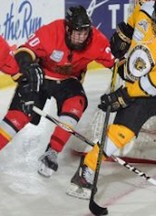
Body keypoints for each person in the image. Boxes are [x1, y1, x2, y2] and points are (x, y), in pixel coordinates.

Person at [66, 0, 156, 202]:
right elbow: (134, 21)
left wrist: (123, 96)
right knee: (121, 134)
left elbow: (151, 85)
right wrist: (124, 34)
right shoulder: (146, 9)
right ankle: (86, 171)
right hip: (141, 87)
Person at [0, 5, 114, 178]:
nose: (81, 38)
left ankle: (52, 152)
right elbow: (24, 51)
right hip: (39, 76)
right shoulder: (52, 31)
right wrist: (27, 66)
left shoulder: (97, 40)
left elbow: (117, 64)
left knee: (76, 103)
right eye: (77, 33)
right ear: (67, 29)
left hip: (69, 81)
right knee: (19, 116)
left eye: (85, 33)